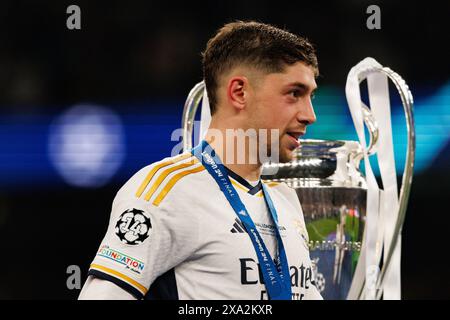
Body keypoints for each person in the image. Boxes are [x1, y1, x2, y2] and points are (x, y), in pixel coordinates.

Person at [79, 20, 322, 300]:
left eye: (310, 95)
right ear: (239, 92)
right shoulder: (166, 190)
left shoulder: (286, 201)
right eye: (295, 93)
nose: (310, 114)